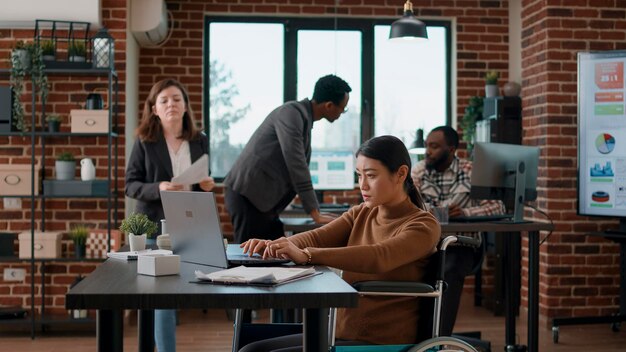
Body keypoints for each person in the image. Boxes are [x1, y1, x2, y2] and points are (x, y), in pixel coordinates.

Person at [239, 135, 441, 351]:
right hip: (340, 332)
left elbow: (379, 257)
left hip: (379, 340)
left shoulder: (423, 225)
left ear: (401, 173)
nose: (362, 185)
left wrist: (307, 255)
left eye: (371, 176)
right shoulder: (361, 213)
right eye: (359, 175)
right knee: (251, 349)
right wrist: (277, 245)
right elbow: (317, 236)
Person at [125, 78, 215, 352]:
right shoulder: (145, 141)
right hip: (154, 225)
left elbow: (201, 184)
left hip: (189, 224)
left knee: (176, 289)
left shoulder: (200, 142)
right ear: (154, 108)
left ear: (186, 106)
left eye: (176, 99)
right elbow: (130, 184)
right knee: (162, 294)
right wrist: (159, 187)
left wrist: (205, 185)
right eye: (163, 100)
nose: (171, 105)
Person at [224, 74, 352, 244]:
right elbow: (296, 162)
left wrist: (316, 210)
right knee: (249, 258)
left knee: (278, 252)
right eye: (343, 108)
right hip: (248, 196)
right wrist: (314, 212)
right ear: (329, 105)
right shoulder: (291, 113)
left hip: (263, 203)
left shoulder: (303, 119)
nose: (342, 113)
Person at [411, 125, 505, 336]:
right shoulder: (419, 171)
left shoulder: (470, 170)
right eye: (427, 146)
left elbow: (498, 207)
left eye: (434, 147)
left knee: (449, 269)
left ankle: (438, 343)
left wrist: (464, 212)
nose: (428, 151)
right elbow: (409, 206)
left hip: (462, 244)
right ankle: (417, 339)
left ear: (452, 149)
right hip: (428, 244)